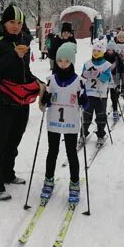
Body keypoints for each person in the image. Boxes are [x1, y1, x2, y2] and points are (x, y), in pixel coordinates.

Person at [0, 4, 45, 201]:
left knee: (14, 140)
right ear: (4, 21)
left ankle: (7, 174)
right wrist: (13, 54)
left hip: (21, 100)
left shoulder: (24, 40)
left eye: (19, 22)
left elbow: (23, 72)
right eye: (12, 22)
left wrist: (39, 84)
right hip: (0, 100)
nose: (16, 26)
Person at [39, 42, 88, 205]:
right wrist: (45, 99)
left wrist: (83, 100)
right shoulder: (51, 80)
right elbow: (46, 100)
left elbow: (85, 103)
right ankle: (49, 180)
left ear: (72, 61)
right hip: (54, 121)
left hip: (70, 122)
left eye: (67, 61)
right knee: (52, 151)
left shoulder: (79, 81)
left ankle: (74, 183)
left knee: (71, 153)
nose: (63, 64)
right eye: (60, 60)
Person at [81, 40, 112, 146]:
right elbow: (82, 77)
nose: (95, 52)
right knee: (86, 115)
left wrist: (99, 75)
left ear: (102, 52)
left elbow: (107, 78)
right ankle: (83, 133)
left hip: (100, 95)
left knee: (100, 116)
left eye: (98, 51)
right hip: (89, 93)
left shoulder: (106, 65)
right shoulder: (87, 63)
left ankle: (100, 135)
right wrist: (85, 75)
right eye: (94, 50)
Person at [104, 40, 124, 121]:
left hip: (115, 79)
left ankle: (115, 110)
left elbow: (122, 69)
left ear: (114, 50)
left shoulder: (117, 57)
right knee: (104, 95)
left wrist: (123, 81)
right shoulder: (103, 57)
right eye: (108, 50)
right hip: (105, 79)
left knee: (114, 96)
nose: (110, 51)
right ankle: (103, 111)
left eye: (112, 50)